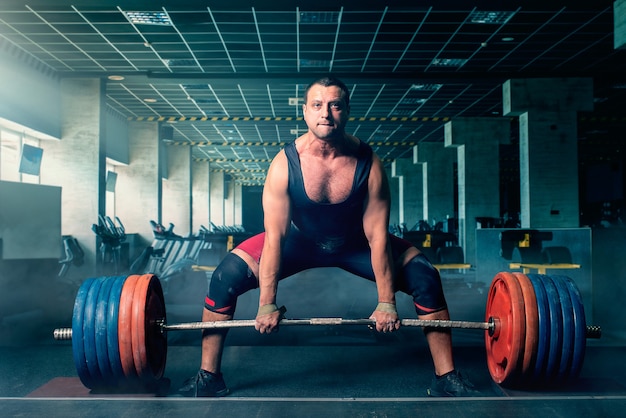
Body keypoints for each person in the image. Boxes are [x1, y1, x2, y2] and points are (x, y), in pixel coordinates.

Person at [179, 76, 478, 397]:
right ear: (305, 112)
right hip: (299, 242)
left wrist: (386, 302)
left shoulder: (369, 163)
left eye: (335, 105)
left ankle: (445, 378)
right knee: (225, 277)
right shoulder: (284, 164)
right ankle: (209, 378)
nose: (326, 113)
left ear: (346, 111)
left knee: (426, 277)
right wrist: (266, 304)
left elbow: (378, 237)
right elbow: (276, 238)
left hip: (356, 244)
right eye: (318, 105)